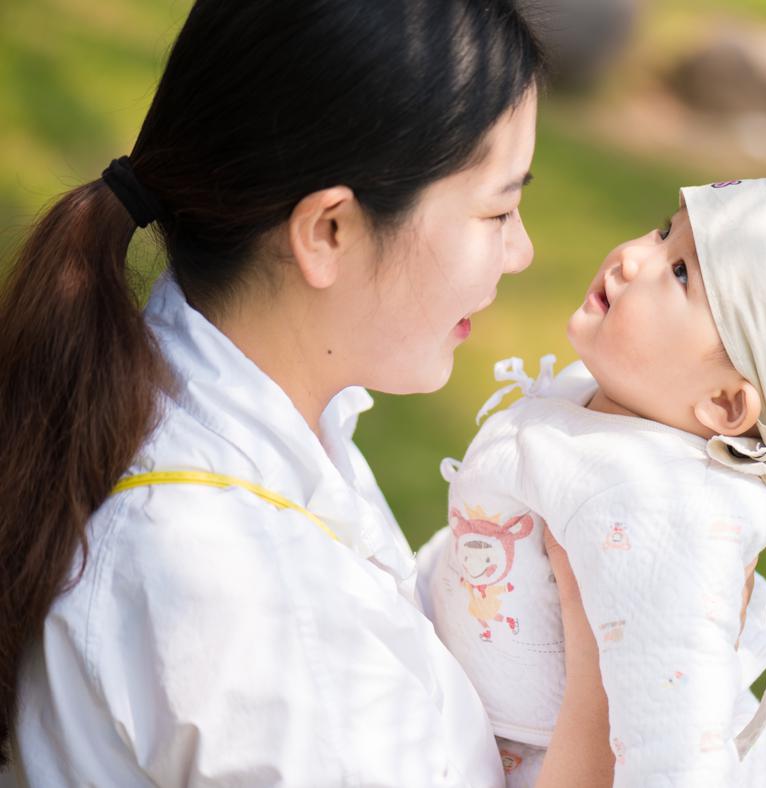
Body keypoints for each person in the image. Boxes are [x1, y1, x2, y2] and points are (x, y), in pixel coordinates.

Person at [0, 1, 620, 785]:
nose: (522, 250)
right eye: (497, 209)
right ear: (329, 231)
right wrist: (607, 660)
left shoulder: (227, 417)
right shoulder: (246, 596)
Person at [418, 176, 766, 786]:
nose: (633, 258)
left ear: (725, 404)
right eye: (664, 233)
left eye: (681, 273)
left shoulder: (663, 510)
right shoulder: (615, 408)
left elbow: (677, 752)